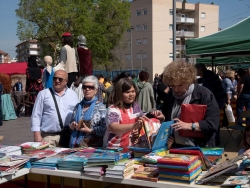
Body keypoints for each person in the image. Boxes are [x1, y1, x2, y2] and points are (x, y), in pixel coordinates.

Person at [153, 60, 220, 148]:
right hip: (176, 146)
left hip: (200, 147)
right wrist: (163, 117)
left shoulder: (204, 94)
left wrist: (189, 126)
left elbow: (212, 124)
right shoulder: (170, 96)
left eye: (179, 85)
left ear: (188, 80)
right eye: (172, 86)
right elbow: (170, 120)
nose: (176, 89)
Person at [31, 70, 79, 147]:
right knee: (47, 158)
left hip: (68, 136)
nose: (57, 81)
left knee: (66, 159)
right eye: (55, 78)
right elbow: (36, 115)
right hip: (48, 137)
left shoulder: (73, 95)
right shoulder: (43, 94)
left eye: (60, 79)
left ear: (66, 81)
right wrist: (36, 134)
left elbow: (77, 114)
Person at [103, 78, 147, 152]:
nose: (131, 94)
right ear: (120, 94)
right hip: (114, 149)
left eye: (133, 91)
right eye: (127, 92)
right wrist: (134, 126)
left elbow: (143, 122)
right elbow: (113, 127)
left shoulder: (135, 106)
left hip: (131, 148)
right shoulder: (113, 109)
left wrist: (138, 131)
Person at [69, 76, 107, 148]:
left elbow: (105, 129)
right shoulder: (78, 106)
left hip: (91, 146)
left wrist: (90, 131)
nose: (87, 89)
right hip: (74, 145)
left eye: (90, 87)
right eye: (84, 87)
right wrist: (72, 126)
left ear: (96, 90)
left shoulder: (101, 107)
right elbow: (70, 123)